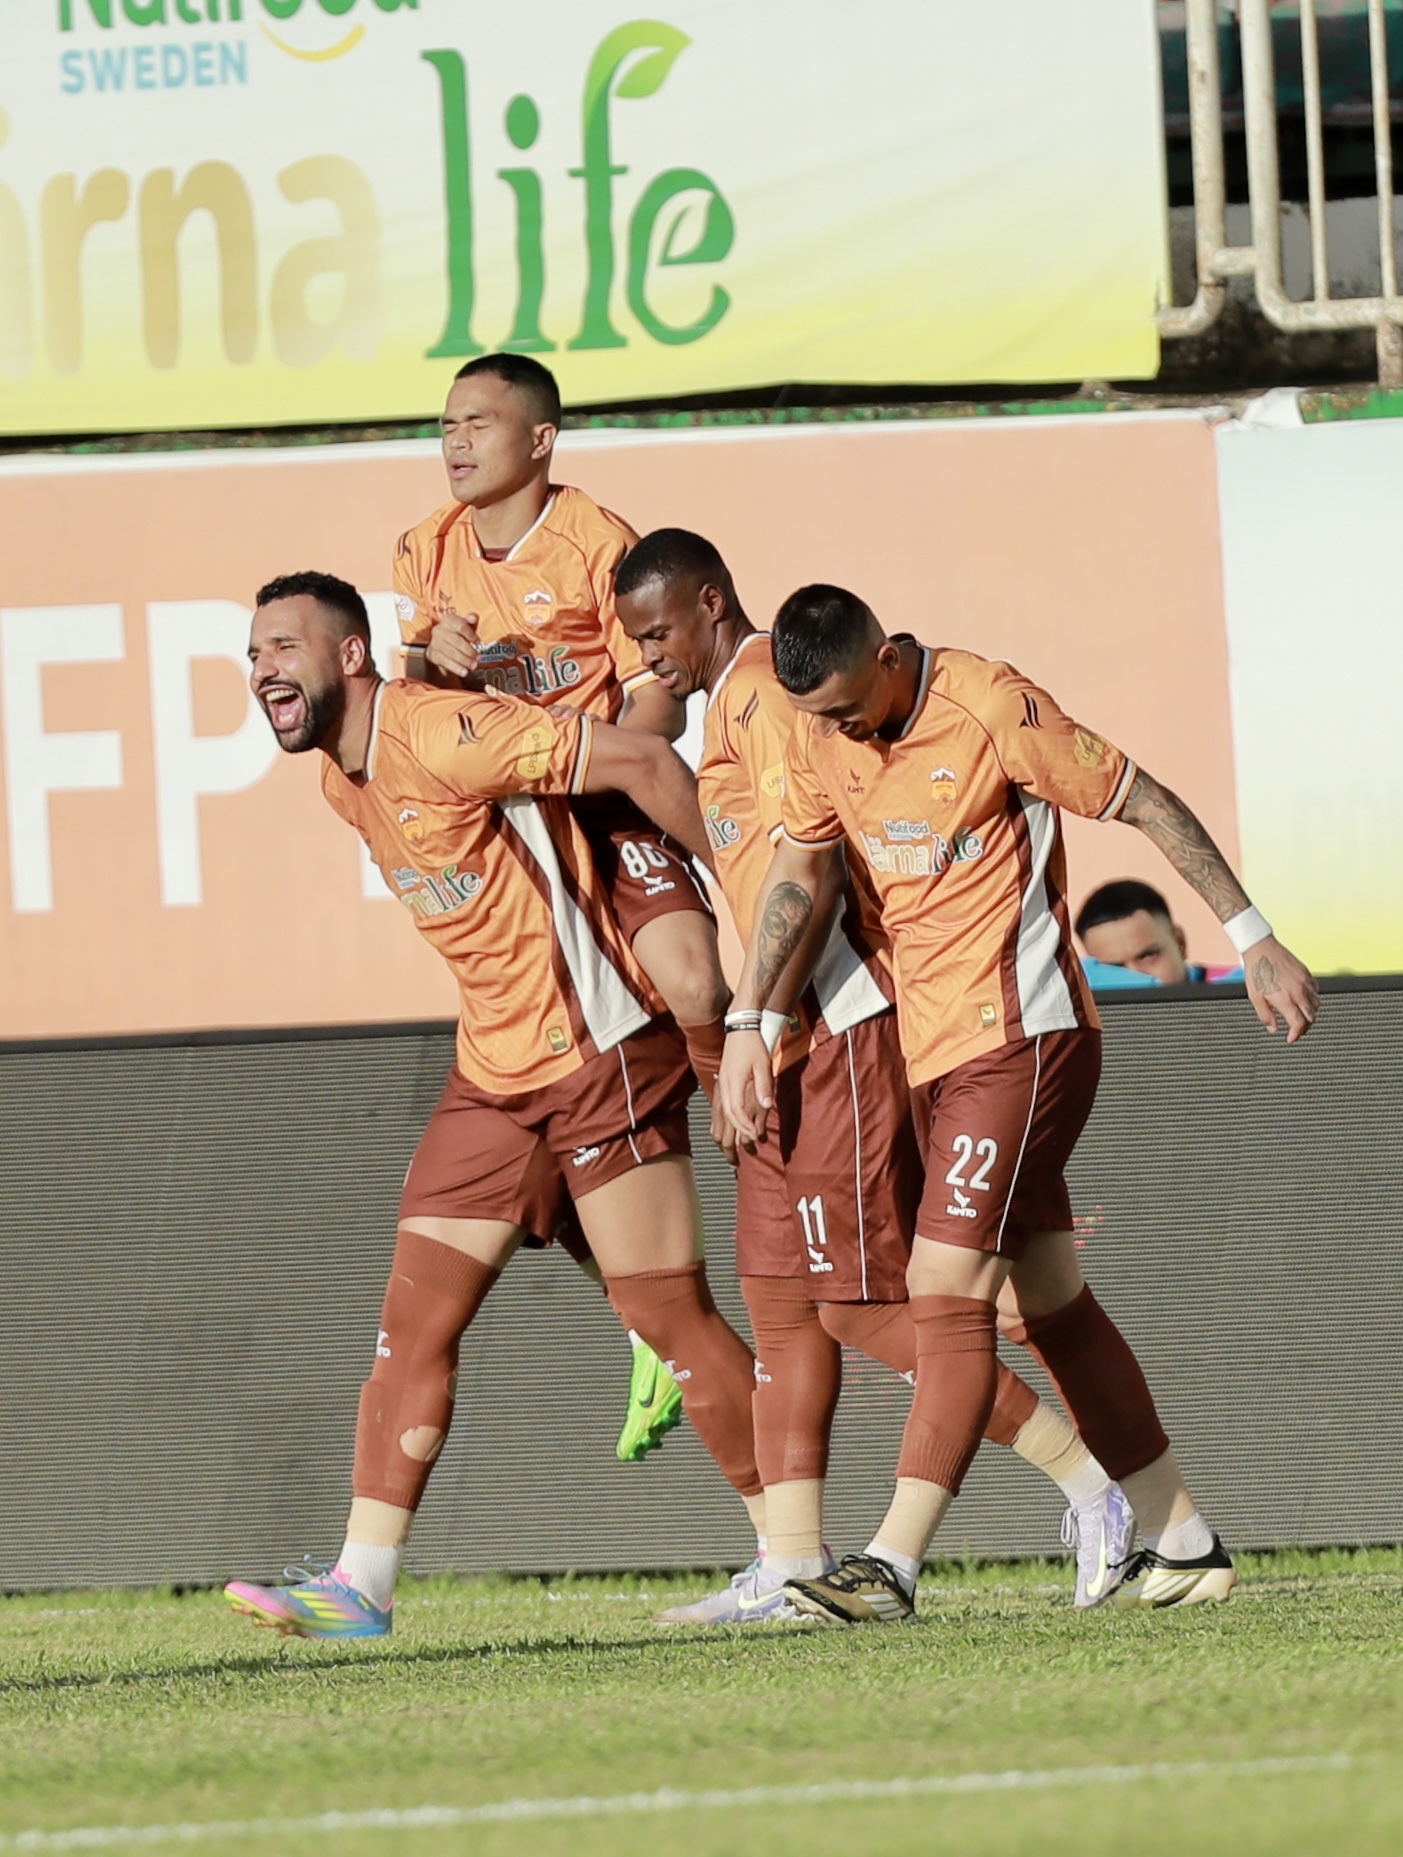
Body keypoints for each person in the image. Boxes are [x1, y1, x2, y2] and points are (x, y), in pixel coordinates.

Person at [718, 585, 1319, 1621]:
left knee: (944, 1286)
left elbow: (1141, 797)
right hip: (933, 1051)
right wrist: (750, 1019)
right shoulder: (821, 735)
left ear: (888, 657)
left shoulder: (989, 705)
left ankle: (891, 1563)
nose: (837, 731)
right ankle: (1183, 1540)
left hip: (1023, 1037)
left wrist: (1250, 934)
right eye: (819, 717)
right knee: (1044, 1302)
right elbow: (799, 870)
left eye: (849, 707)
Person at [224, 571, 764, 1639]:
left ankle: (793, 1556)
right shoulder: (341, 779)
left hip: (598, 1047)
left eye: (283, 647)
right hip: (495, 1074)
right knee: (413, 1319)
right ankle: (362, 1584)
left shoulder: (444, 730)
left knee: (668, 1315)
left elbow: (646, 763)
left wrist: (757, 892)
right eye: (252, 655)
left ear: (350, 655)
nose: (262, 670)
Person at [616, 532, 1131, 1622]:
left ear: (710, 602)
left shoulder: (769, 693)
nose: (647, 656)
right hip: (781, 1040)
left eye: (657, 632)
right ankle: (789, 1558)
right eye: (633, 640)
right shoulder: (730, 709)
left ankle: (1089, 1487)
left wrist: (756, 1020)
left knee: (864, 1307)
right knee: (780, 1300)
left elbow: (809, 871)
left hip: (838, 1028)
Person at [395, 353, 729, 1460]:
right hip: (514, 832)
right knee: (549, 1070)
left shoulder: (595, 542)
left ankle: (747, 1130)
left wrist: (602, 757)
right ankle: (647, 1322)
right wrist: (426, 658)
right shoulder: (424, 550)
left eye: (477, 423)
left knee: (691, 979)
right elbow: (415, 710)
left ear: (540, 439)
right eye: (446, 424)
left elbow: (657, 701)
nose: (454, 442)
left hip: (604, 802)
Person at [1076, 878, 1243, 987]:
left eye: (1147, 956)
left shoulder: (1243, 991)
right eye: (1114, 968)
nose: (1136, 976)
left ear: (1180, 943)